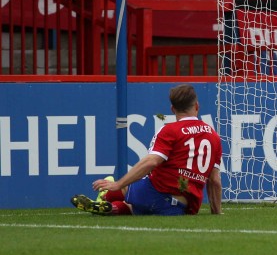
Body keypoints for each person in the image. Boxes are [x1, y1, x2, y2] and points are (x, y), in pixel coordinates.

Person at [70, 84, 223, 216]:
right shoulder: (214, 136)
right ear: (197, 105)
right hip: (182, 207)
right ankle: (112, 208)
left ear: (172, 109)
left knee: (125, 186)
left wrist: (118, 184)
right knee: (135, 208)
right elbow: (214, 180)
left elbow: (151, 161)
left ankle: (105, 198)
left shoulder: (169, 130)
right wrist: (217, 212)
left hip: (155, 192)